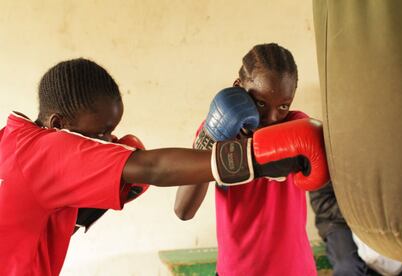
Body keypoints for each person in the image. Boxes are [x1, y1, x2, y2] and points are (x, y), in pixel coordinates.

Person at [0, 58, 327, 276]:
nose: (109, 140)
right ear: (58, 124)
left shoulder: (12, 137)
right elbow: (153, 168)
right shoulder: (51, 150)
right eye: (100, 134)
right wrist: (255, 159)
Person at [175, 43, 322, 275]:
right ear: (238, 87)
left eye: (284, 105)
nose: (272, 118)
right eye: (261, 103)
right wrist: (212, 137)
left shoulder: (296, 126)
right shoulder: (217, 131)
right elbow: (183, 210)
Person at [310, 182, 402, 276]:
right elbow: (321, 202)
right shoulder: (327, 162)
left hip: (392, 218)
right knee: (347, 266)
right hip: (341, 221)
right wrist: (361, 216)